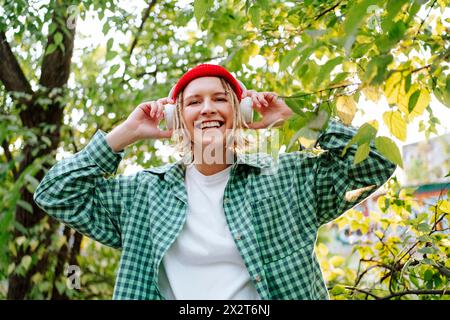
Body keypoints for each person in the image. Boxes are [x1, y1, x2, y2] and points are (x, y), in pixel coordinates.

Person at [34, 64, 396, 300]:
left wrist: (297, 119)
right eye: (193, 102)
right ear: (178, 118)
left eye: (220, 99)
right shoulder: (142, 195)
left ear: (239, 113)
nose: (207, 108)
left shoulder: (288, 178)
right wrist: (127, 133)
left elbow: (376, 163)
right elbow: (55, 193)